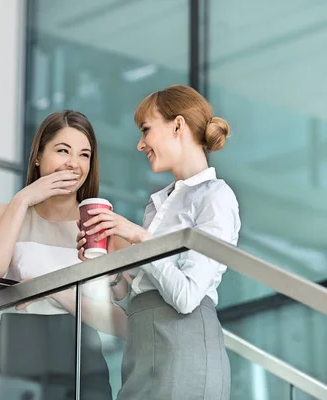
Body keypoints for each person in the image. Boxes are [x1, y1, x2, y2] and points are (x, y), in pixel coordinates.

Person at [77, 85, 240, 400]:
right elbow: (137, 296)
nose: (140, 145)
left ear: (177, 126)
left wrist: (139, 238)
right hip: (142, 347)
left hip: (182, 347)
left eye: (146, 130)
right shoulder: (158, 204)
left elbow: (187, 295)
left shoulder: (215, 196)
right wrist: (110, 271)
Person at [0, 110, 113, 400]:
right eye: (63, 150)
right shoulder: (5, 214)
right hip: (19, 346)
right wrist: (23, 199)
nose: (74, 164)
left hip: (82, 352)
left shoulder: (101, 224)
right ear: (38, 156)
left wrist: (54, 291)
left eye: (84, 155)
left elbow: (122, 321)